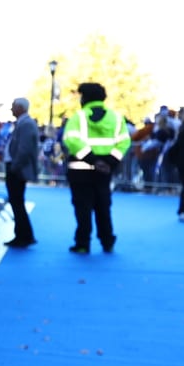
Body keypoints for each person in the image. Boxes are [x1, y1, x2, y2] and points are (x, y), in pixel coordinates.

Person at [61, 82, 132, 254]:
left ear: (85, 98)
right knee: (103, 207)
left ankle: (83, 244)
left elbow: (71, 139)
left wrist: (92, 159)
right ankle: (107, 241)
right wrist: (109, 162)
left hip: (79, 170)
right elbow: (124, 142)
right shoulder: (116, 118)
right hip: (104, 172)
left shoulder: (78, 118)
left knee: (82, 208)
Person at [3, 96, 40, 248]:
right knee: (16, 202)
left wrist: (15, 166)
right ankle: (23, 234)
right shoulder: (23, 123)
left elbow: (25, 148)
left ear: (20, 108)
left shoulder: (26, 124)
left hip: (17, 169)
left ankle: (24, 236)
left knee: (17, 202)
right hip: (16, 167)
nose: (11, 109)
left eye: (13, 106)